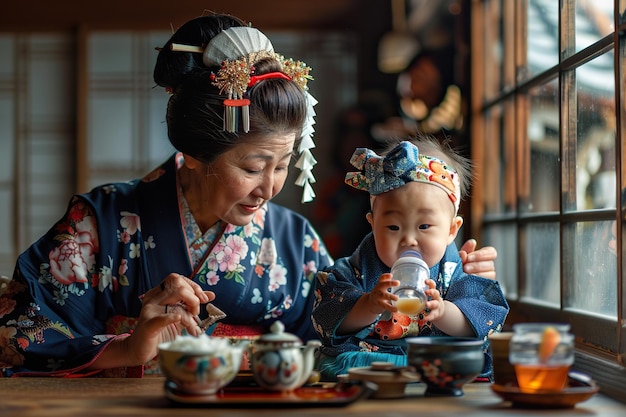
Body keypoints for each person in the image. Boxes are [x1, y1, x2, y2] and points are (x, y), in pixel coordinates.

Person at [0, 14, 497, 378]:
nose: (271, 187)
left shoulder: (294, 240)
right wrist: (130, 348)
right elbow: (21, 334)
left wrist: (446, 277)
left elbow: (353, 340)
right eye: (253, 166)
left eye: (282, 165)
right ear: (193, 154)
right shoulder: (99, 222)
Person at [311, 137, 509, 380]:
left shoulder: (455, 274)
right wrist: (368, 305)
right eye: (393, 227)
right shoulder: (354, 270)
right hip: (369, 364)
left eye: (424, 226)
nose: (408, 240)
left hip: (436, 365)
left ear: (451, 230)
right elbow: (331, 316)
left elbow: (475, 324)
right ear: (373, 225)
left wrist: (444, 312)